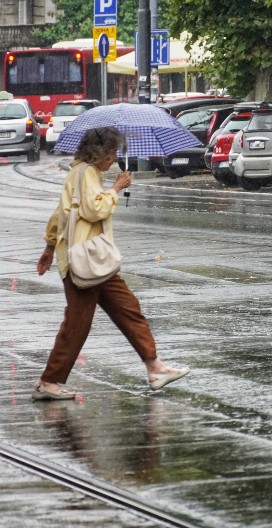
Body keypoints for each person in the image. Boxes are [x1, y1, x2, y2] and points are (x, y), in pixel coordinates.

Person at [34, 127, 190, 400]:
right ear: (100, 152)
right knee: (77, 323)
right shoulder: (86, 173)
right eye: (113, 152)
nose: (115, 158)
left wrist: (49, 246)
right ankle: (49, 382)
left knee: (128, 308)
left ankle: (155, 367)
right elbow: (94, 210)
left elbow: (60, 215)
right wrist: (116, 189)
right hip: (84, 259)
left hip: (93, 260)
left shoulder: (80, 172)